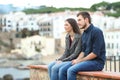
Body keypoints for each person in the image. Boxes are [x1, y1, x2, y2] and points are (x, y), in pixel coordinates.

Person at [59, 12, 106, 80]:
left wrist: (80, 60)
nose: (77, 22)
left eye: (79, 20)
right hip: (86, 61)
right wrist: (77, 60)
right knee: (62, 69)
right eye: (77, 20)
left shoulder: (97, 32)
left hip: (97, 62)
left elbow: (95, 53)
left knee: (71, 70)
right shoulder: (84, 34)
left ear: (86, 20)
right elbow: (83, 51)